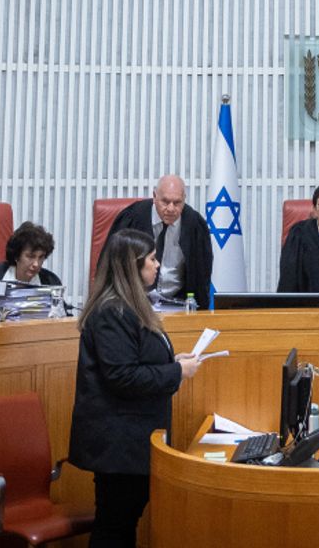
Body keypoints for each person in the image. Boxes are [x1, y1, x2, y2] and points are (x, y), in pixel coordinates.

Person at [68, 229, 201, 548]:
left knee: (123, 522)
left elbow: (138, 360)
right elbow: (123, 377)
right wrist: (175, 371)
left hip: (133, 438)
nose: (158, 266)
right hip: (118, 442)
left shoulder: (130, 306)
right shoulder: (112, 312)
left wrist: (174, 361)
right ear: (132, 266)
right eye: (152, 259)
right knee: (114, 526)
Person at [107, 175, 213, 310]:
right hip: (135, 305)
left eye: (177, 203)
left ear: (184, 200)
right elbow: (112, 267)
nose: (171, 208)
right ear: (154, 197)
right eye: (165, 201)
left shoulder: (195, 225)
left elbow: (202, 276)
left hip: (179, 305)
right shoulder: (131, 218)